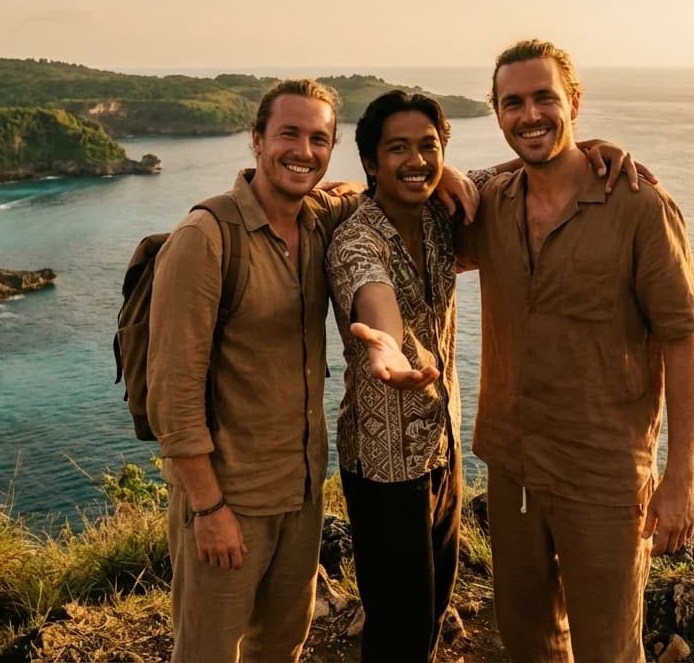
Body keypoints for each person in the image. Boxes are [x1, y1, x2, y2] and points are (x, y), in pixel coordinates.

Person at [146, 78, 481, 663]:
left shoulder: (316, 217)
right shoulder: (206, 238)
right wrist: (207, 508)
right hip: (231, 492)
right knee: (208, 648)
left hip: (300, 487)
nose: (303, 151)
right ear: (256, 141)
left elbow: (379, 188)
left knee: (283, 641)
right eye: (288, 135)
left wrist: (439, 170)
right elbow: (171, 395)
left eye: (318, 138)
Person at [457, 39, 694, 663]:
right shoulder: (492, 202)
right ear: (497, 115)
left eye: (544, 97)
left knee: (608, 647)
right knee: (527, 638)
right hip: (512, 461)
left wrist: (679, 478)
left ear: (574, 101)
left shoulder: (641, 207)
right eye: (512, 103)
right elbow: (398, 196)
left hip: (603, 472)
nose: (530, 114)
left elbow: (681, 342)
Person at [326, 91, 461, 663]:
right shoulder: (357, 239)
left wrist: (596, 149)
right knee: (397, 626)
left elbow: (519, 172)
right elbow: (372, 290)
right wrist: (386, 344)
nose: (416, 160)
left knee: (432, 608)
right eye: (397, 148)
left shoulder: (436, 216)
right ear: (370, 162)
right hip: (384, 467)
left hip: (441, 446)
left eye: (428, 146)